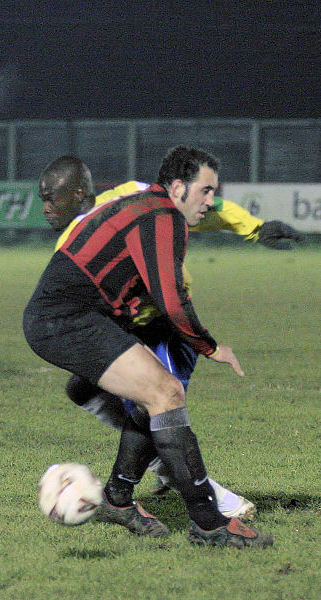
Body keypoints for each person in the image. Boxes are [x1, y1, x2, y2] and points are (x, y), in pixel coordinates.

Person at [24, 146, 274, 547]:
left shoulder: (149, 206)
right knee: (166, 392)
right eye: (206, 191)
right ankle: (209, 525)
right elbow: (171, 297)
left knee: (152, 398)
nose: (211, 202)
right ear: (178, 188)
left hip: (74, 317)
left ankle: (119, 499)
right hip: (65, 320)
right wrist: (212, 347)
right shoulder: (161, 216)